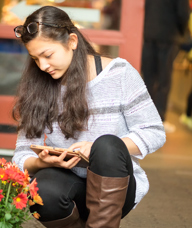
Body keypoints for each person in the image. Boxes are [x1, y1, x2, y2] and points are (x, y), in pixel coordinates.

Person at [11, 6, 166, 228]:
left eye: (48, 55)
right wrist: (40, 162)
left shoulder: (120, 74)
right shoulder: (39, 85)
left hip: (116, 186)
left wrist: (96, 148)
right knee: (41, 192)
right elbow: (20, 156)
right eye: (35, 58)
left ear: (72, 41)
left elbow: (154, 133)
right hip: (67, 183)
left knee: (106, 145)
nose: (42, 66)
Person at [141, 0, 190, 133]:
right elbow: (183, 13)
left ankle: (144, 119)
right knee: (164, 80)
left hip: (149, 34)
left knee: (148, 79)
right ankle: (159, 120)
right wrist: (182, 32)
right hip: (169, 35)